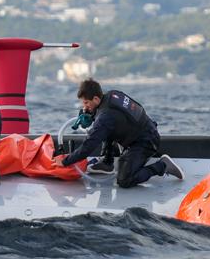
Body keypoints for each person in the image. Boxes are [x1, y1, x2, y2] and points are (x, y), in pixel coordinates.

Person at [53, 78, 183, 188]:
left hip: (146, 141)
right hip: (145, 129)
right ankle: (107, 162)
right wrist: (93, 115)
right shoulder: (112, 95)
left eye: (86, 103)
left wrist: (66, 161)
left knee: (124, 180)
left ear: (96, 99)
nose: (84, 107)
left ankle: (163, 166)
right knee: (105, 129)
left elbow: (89, 146)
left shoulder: (104, 117)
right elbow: (114, 117)